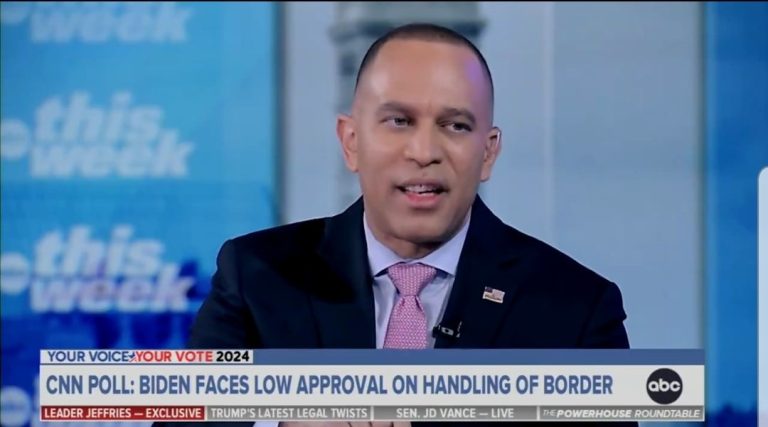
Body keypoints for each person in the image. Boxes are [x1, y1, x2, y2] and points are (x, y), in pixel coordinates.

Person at [163, 23, 632, 427]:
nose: (424, 152)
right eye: (399, 121)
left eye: (455, 126)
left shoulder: (576, 309)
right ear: (351, 141)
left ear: (488, 153)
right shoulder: (257, 276)